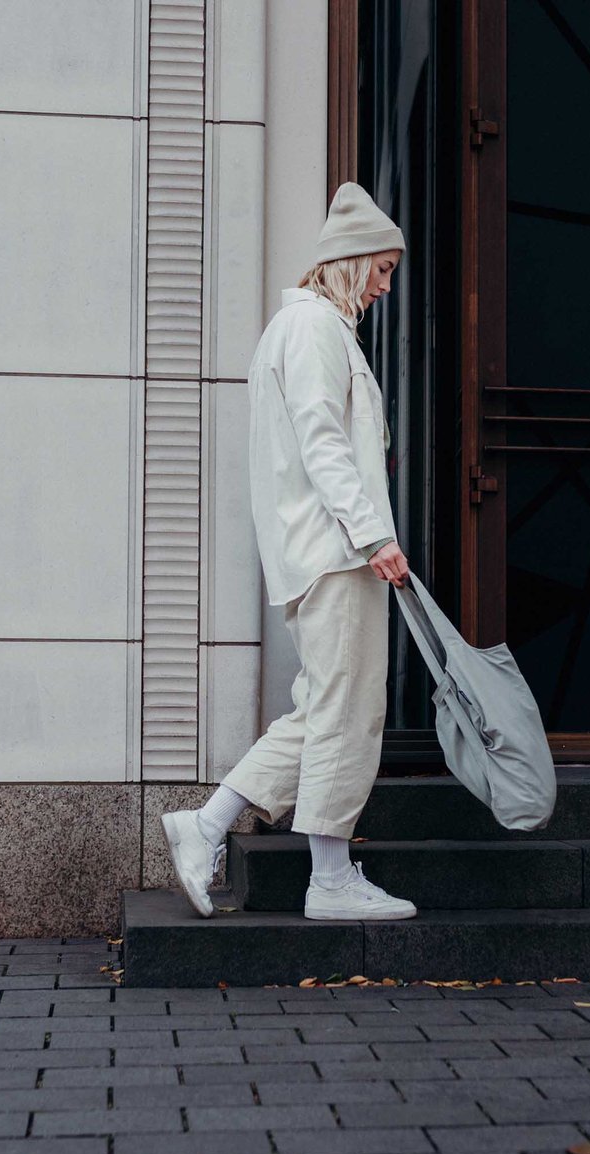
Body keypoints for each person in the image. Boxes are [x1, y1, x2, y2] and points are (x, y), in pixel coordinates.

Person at [161, 182, 417, 921]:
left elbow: (329, 442)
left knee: (324, 708)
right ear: (350, 260)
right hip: (337, 552)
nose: (385, 284)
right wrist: (374, 533)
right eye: (381, 268)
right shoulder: (312, 330)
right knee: (347, 709)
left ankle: (205, 824)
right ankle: (330, 882)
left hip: (328, 547)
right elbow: (322, 442)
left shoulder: (307, 329)